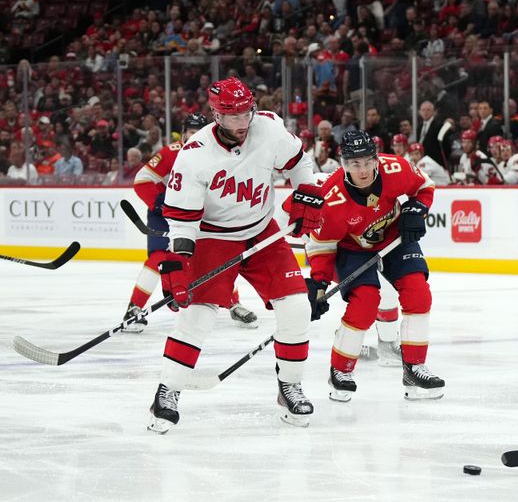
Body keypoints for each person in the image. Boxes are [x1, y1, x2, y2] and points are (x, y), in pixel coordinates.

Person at [148, 78, 325, 432]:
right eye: (232, 117)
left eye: (246, 112)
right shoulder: (195, 154)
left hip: (262, 231)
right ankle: (167, 391)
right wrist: (179, 262)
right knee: (197, 314)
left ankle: (288, 385)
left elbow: (300, 163)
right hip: (213, 238)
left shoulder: (269, 129)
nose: (242, 123)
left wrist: (307, 192)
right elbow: (182, 224)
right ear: (216, 115)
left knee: (297, 307)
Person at [305, 129, 445, 402]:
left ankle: (414, 367)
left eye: (368, 161)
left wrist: (417, 209)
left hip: (393, 237)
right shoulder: (331, 198)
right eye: (356, 164)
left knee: (418, 291)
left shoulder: (395, 168)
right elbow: (322, 246)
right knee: (366, 301)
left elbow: (424, 185)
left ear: (376, 159)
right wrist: (318, 283)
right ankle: (340, 371)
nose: (364, 169)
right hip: (351, 248)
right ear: (344, 164)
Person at [123, 112, 259, 334]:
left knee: (216, 257)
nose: (195, 137)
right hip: (166, 212)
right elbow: (142, 180)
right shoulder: (171, 152)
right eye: (191, 133)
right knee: (158, 258)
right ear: (184, 133)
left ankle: (233, 303)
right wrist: (162, 205)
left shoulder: (218, 152)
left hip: (199, 213)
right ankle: (134, 308)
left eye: (200, 133)